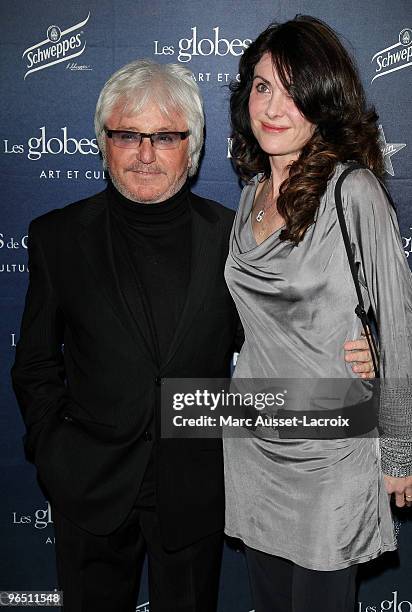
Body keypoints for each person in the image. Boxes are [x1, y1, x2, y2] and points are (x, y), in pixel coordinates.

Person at [11, 59, 373, 612]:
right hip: (90, 487)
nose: (146, 153)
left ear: (194, 146)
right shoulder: (57, 237)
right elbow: (35, 363)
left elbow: (286, 335)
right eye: (128, 134)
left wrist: (360, 351)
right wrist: (53, 451)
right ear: (104, 141)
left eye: (165, 136)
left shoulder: (235, 239)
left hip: (196, 487)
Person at [223, 16, 412, 612]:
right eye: (261, 86)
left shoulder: (353, 192)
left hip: (332, 452)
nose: (273, 107)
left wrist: (399, 452)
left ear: (322, 99)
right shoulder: (248, 194)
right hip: (254, 441)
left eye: (292, 88)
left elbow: (402, 326)